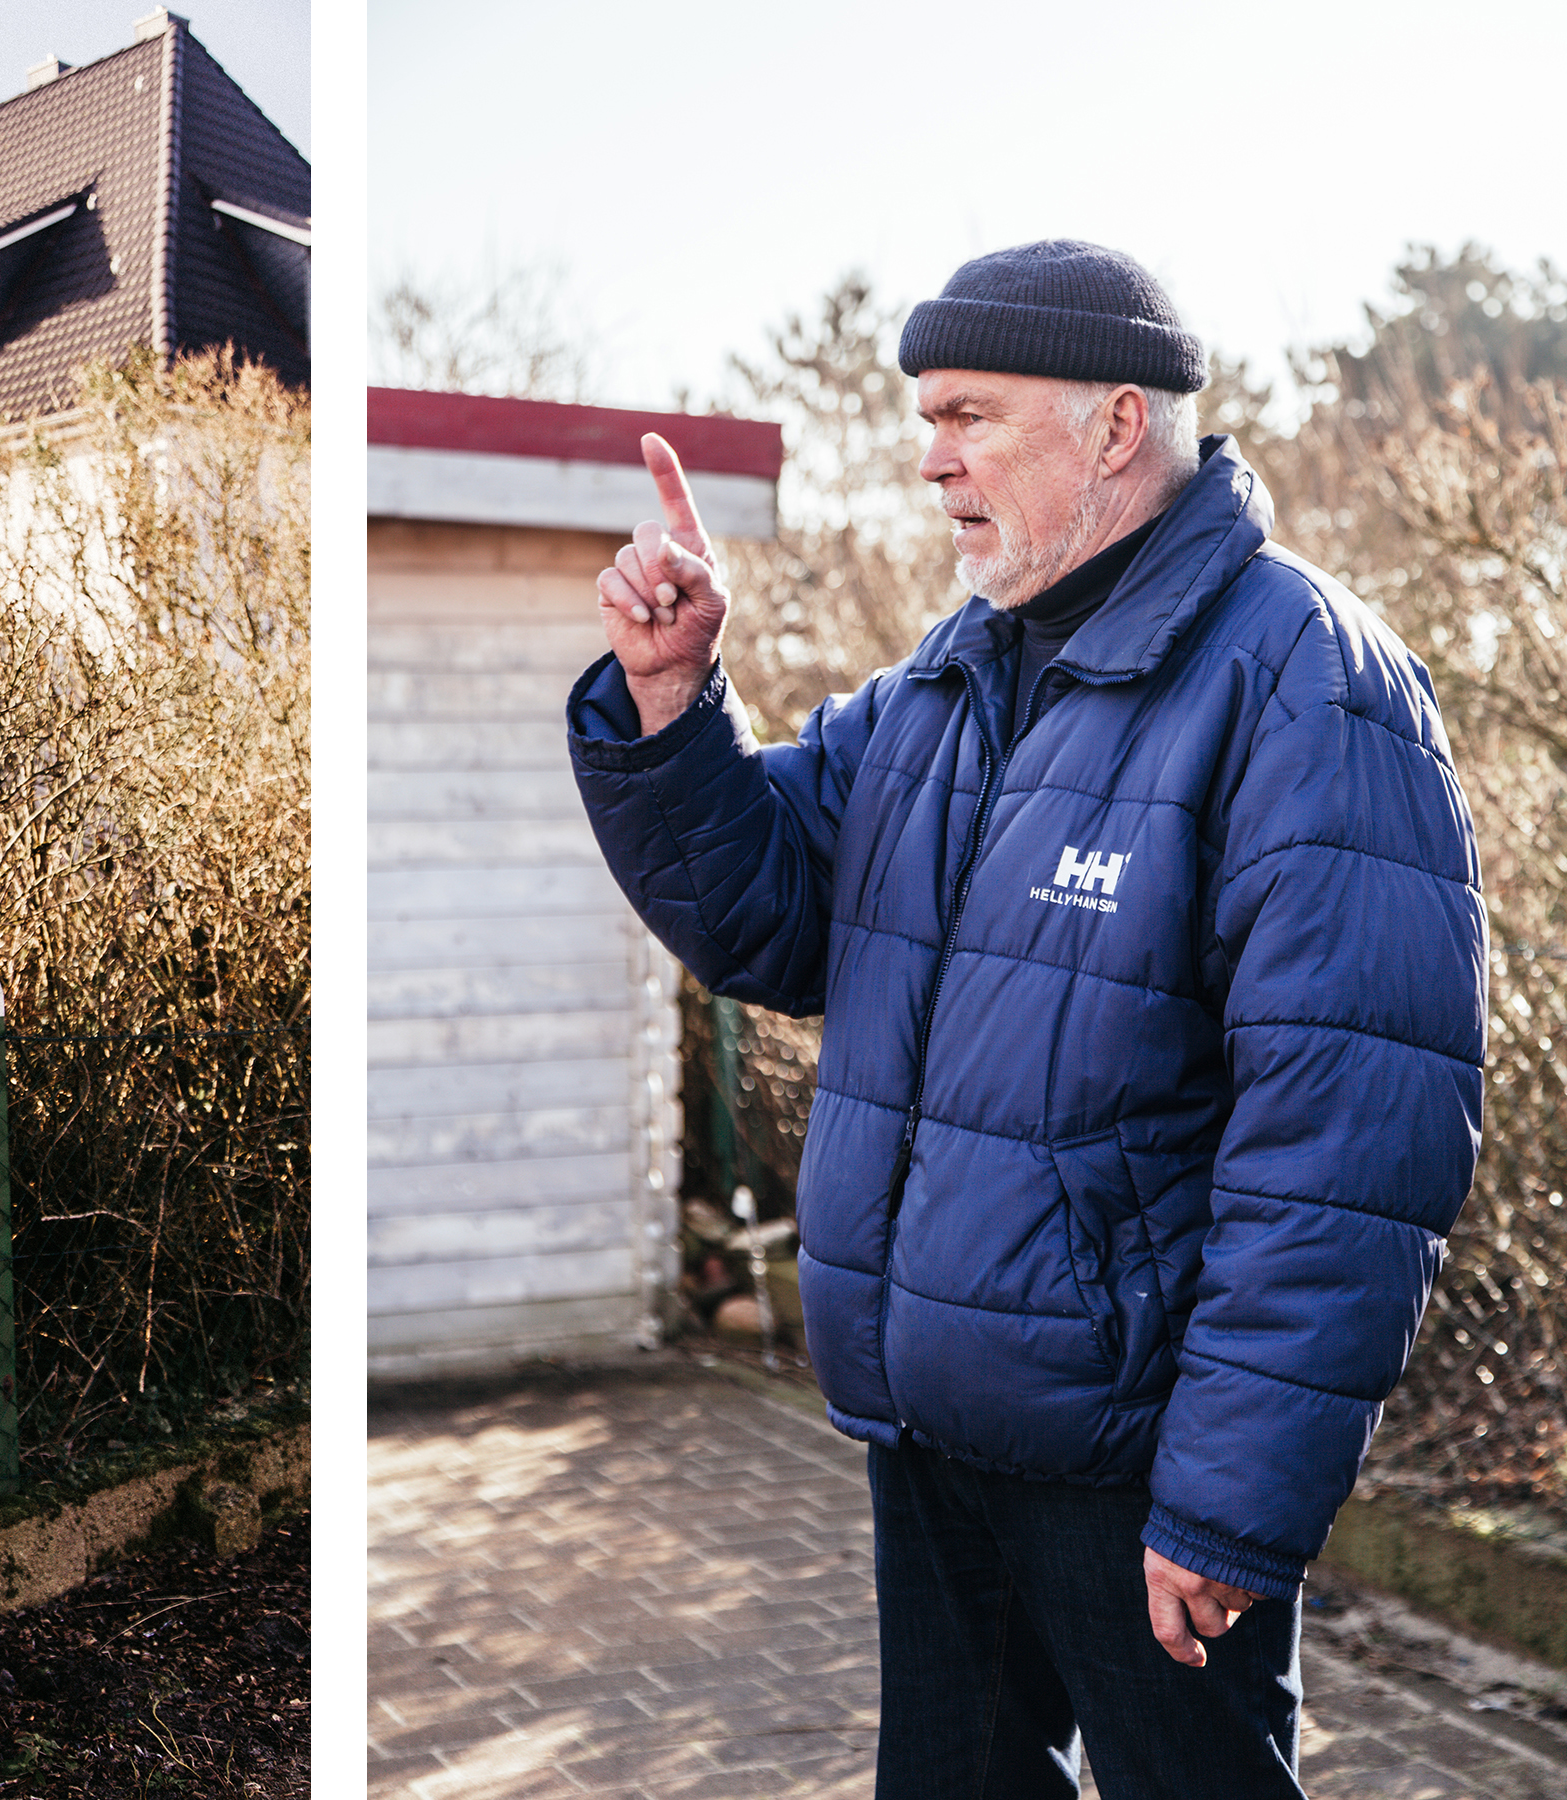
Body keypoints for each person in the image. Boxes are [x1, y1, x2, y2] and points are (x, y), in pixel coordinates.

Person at [566, 240, 1485, 1799]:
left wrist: (1229, 1504)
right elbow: (777, 914)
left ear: (1116, 426)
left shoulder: (1309, 691)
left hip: (1140, 1470)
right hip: (935, 1435)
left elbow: (1347, 1148)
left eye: (969, 416)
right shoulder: (952, 676)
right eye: (927, 419)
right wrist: (671, 708)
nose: (931, 461)